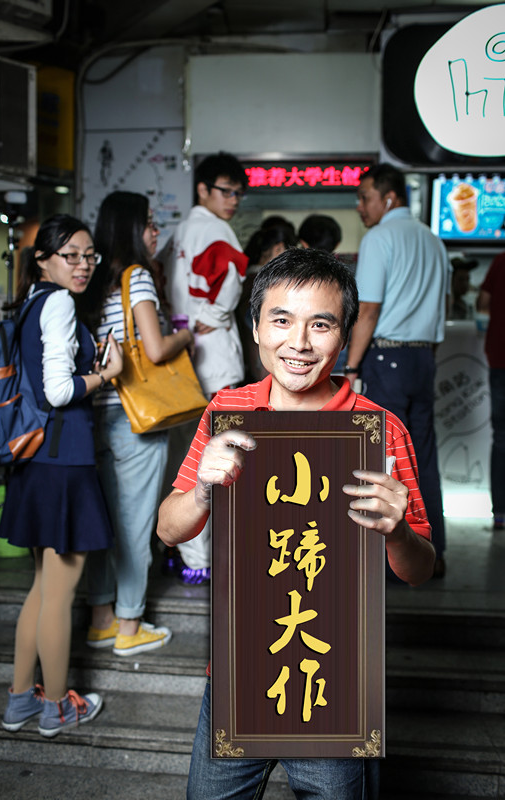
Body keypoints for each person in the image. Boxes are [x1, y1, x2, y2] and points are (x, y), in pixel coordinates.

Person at [157, 248, 435, 800]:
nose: (300, 342)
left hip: (335, 677)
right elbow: (169, 529)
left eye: (321, 325)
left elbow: (420, 569)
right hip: (238, 671)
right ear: (256, 327)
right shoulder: (228, 412)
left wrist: (397, 531)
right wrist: (204, 491)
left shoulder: (378, 431)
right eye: (281, 320)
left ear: (345, 335)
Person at [0, 214, 123, 737]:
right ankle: (56, 706)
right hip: (62, 460)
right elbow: (57, 391)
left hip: (36, 460)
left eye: (89, 255)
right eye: (71, 255)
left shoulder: (31, 302)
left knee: (41, 587)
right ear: (43, 259)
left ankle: (19, 699)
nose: (83, 264)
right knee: (59, 593)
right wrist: (106, 375)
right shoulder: (59, 304)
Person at [80, 191, 194, 655]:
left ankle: (101, 620)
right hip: (137, 421)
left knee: (103, 525)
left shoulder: (91, 281)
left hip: (96, 414)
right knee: (134, 525)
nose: (155, 231)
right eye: (148, 223)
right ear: (130, 229)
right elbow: (155, 349)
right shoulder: (137, 276)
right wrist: (185, 334)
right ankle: (129, 626)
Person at [345, 163, 449, 579]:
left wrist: (352, 366)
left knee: (382, 459)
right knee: (423, 458)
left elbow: (369, 309)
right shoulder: (433, 240)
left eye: (365, 197)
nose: (360, 206)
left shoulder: (379, 237)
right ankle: (431, 555)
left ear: (389, 198)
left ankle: (388, 565)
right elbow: (441, 307)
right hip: (422, 359)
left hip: (385, 358)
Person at [161, 151, 249, 583]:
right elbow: (232, 279)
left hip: (181, 363)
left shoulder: (177, 232)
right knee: (217, 464)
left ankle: (189, 556)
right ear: (203, 189)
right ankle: (205, 559)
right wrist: (212, 317)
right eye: (226, 191)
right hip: (215, 362)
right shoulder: (217, 230)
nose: (232, 200)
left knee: (185, 461)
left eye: (237, 194)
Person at [239, 218, 298, 382]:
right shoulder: (266, 286)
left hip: (249, 366)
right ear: (279, 248)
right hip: (263, 372)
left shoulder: (246, 279)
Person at [477, 251, 505, 530]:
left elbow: (482, 303)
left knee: (502, 438)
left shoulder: (500, 262)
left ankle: (500, 513)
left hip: (501, 360)